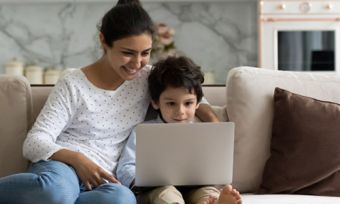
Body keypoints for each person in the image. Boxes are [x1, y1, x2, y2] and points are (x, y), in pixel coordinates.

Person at [0, 1, 218, 204]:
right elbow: (34, 142)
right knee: (56, 190)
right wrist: (78, 159)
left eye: (146, 53)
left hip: (103, 181)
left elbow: (189, 92)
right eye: (128, 53)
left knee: (123, 200)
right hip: (62, 168)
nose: (137, 63)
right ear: (104, 41)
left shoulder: (146, 77)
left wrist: (213, 122)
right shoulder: (73, 84)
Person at [117, 56, 242, 204]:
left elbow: (217, 166)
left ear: (197, 103)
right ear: (156, 103)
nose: (180, 111)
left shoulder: (204, 133)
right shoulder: (143, 131)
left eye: (188, 103)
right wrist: (139, 180)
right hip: (158, 189)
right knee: (166, 195)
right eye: (171, 103)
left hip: (197, 186)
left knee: (207, 193)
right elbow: (125, 167)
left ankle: (213, 202)